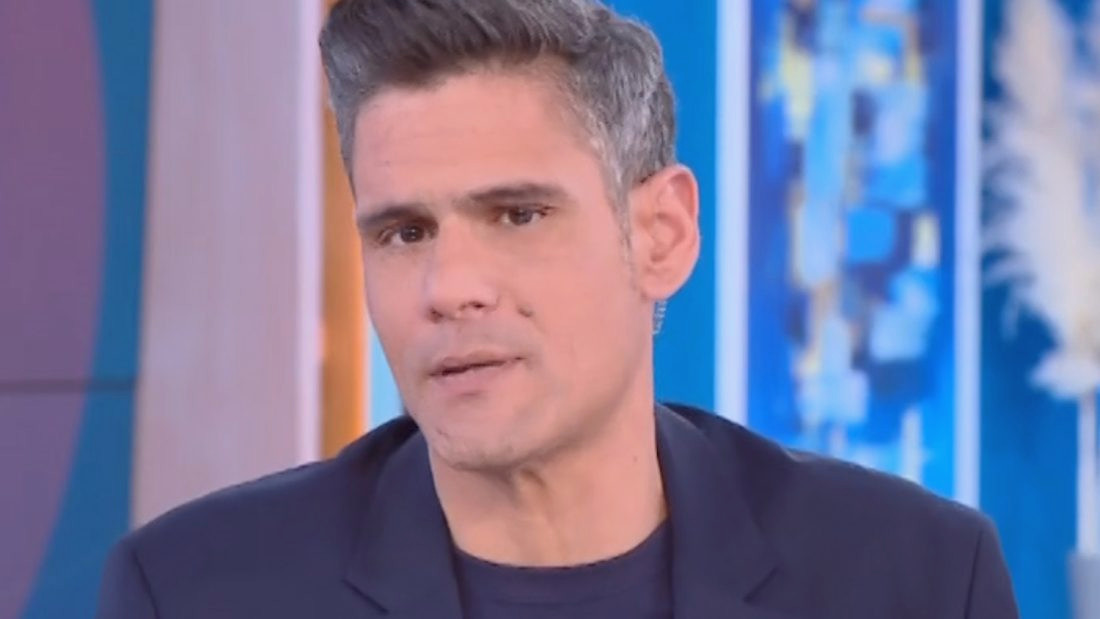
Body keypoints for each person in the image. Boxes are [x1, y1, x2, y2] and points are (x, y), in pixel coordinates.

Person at [96, 0, 1019, 617]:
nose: (449, 287)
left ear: (661, 235)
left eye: (518, 214)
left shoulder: (917, 579)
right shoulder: (195, 591)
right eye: (405, 232)